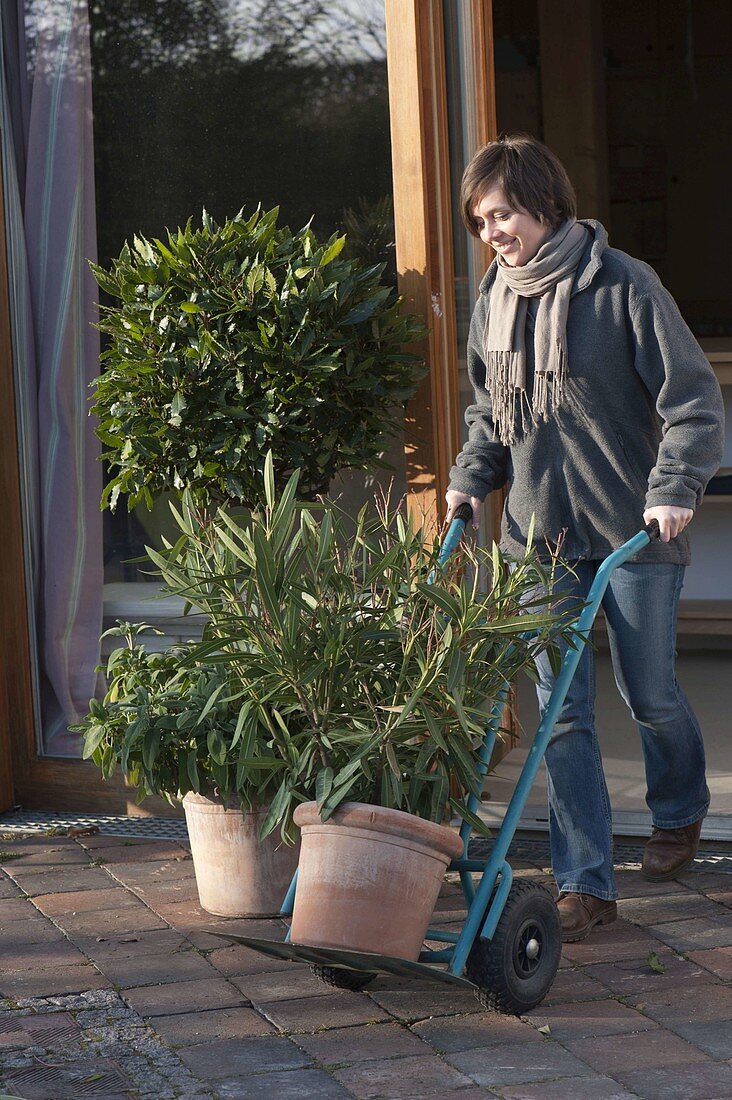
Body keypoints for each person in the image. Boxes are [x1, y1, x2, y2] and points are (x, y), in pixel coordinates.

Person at [445, 134, 725, 943]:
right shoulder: (495, 299)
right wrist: (470, 475)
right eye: (479, 221)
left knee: (651, 695)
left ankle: (680, 808)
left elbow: (694, 404)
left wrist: (672, 491)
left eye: (500, 214)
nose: (491, 233)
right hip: (537, 539)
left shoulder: (624, 285)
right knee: (561, 714)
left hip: (633, 534)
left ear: (543, 202)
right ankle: (586, 882)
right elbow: (490, 415)